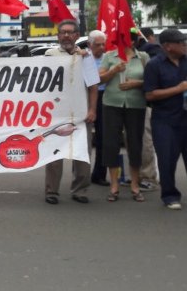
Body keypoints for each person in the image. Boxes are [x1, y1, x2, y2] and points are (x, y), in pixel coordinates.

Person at [44, 20, 100, 205]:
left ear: (77, 35)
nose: (66, 36)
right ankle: (52, 191)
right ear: (58, 36)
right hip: (56, 113)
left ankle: (80, 190)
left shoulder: (87, 58)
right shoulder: (49, 55)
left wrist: (92, 109)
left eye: (70, 32)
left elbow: (93, 87)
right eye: (63, 32)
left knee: (82, 154)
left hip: (81, 114)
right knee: (54, 155)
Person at [98, 32, 149, 202]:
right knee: (111, 144)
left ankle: (135, 185)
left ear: (133, 42)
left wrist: (137, 83)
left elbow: (152, 80)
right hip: (112, 104)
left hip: (136, 105)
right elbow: (99, 80)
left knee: (135, 144)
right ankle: (114, 185)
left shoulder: (143, 57)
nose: (123, 43)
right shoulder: (109, 57)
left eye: (126, 40)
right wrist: (114, 70)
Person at [143, 28, 187, 210]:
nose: (185, 45)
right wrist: (178, 89)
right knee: (167, 159)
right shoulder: (154, 65)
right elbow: (150, 95)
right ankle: (170, 195)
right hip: (165, 119)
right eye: (181, 43)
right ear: (168, 46)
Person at [137, 27, 162, 191]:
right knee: (136, 141)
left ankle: (149, 177)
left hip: (147, 104)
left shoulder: (150, 52)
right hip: (129, 104)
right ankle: (140, 175)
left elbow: (150, 80)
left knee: (147, 141)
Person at [87, 31, 109, 186]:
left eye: (103, 44)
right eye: (97, 44)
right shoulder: (83, 57)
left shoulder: (108, 58)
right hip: (85, 98)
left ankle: (99, 174)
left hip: (105, 98)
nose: (101, 47)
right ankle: (80, 174)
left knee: (103, 138)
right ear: (90, 45)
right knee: (83, 138)